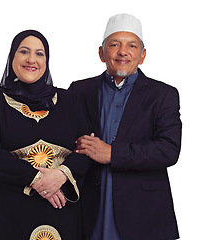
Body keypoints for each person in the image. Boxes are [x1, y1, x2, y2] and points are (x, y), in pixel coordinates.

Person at [70, 13, 182, 240]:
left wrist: (113, 153)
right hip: (88, 211)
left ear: (142, 55)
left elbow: (169, 149)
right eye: (114, 44)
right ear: (102, 53)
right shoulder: (79, 91)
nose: (123, 52)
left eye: (132, 45)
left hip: (144, 215)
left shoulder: (163, 95)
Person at [0, 30, 91, 240]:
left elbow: (87, 148)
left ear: (47, 60)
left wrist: (61, 174)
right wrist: (36, 179)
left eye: (39, 53)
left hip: (61, 210)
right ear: (12, 58)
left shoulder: (69, 101)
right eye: (24, 51)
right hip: (8, 210)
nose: (31, 59)